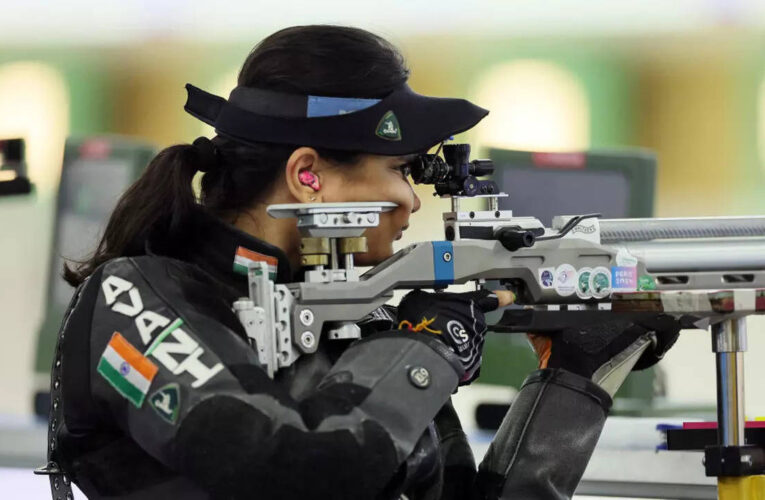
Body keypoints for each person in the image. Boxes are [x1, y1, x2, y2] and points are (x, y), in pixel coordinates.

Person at [44, 25, 680, 500]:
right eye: (402, 170)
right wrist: (426, 349)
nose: (411, 198)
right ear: (308, 175)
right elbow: (293, 467)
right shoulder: (133, 297)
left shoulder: (357, 316)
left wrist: (578, 376)